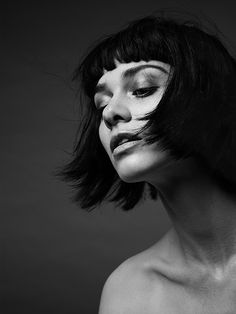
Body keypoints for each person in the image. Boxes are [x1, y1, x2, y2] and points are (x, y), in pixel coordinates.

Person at [58, 13, 236, 313]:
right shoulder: (128, 292)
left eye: (142, 89)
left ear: (208, 98)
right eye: (101, 103)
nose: (110, 112)